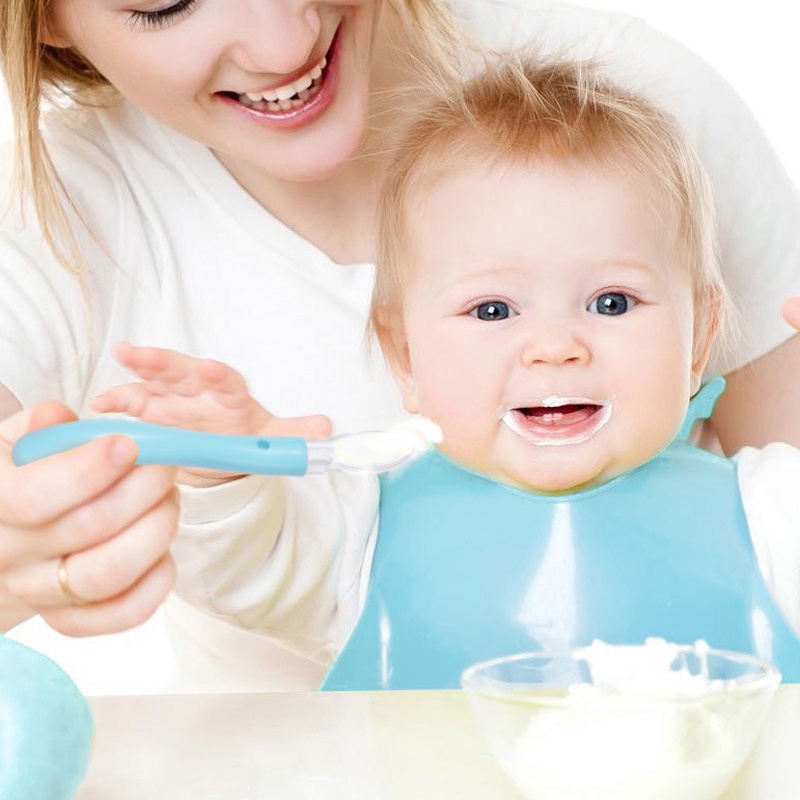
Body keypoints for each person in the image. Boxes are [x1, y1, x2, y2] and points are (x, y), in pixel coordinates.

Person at [1, 0, 800, 692]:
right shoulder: (368, 531)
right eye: (492, 310)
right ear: (404, 356)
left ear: (700, 335)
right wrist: (226, 468)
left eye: (613, 303)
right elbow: (262, 557)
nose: (555, 349)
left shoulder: (763, 515)